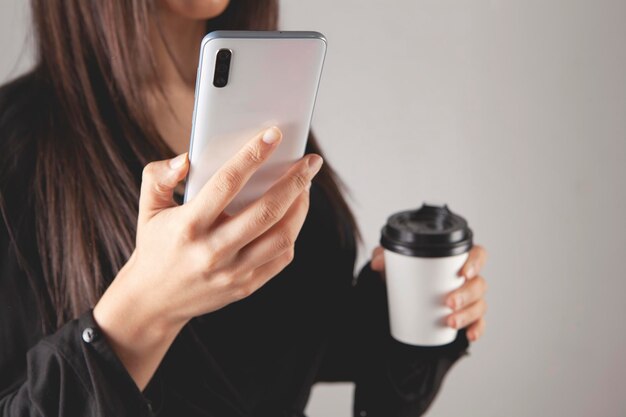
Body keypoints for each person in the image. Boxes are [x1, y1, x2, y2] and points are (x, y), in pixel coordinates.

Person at [0, 1, 488, 416]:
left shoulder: (254, 110)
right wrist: (143, 311)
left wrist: (393, 319)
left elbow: (263, 353)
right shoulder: (14, 147)